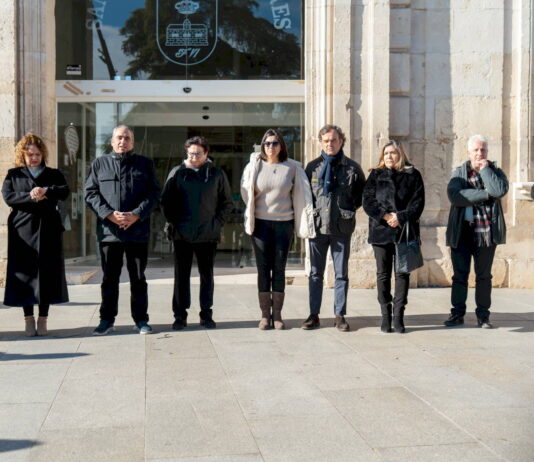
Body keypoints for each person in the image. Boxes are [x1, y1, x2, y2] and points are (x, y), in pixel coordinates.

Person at [85, 125, 160, 335]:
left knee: (138, 278)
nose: (122, 141)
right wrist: (109, 214)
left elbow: (154, 194)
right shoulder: (99, 164)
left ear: (132, 142)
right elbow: (90, 193)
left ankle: (141, 320)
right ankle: (106, 320)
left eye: (127, 138)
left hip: (137, 232)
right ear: (112, 141)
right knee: (109, 279)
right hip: (110, 232)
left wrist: (136, 214)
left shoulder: (145, 164)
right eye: (119, 137)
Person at [241, 128, 315, 330]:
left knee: (279, 268)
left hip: (284, 224)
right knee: (263, 268)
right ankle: (265, 315)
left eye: (275, 143)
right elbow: (246, 192)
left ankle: (278, 315)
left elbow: (300, 194)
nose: (270, 147)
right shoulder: (254, 166)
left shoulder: (292, 167)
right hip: (260, 224)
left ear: (281, 146)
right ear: (262, 146)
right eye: (267, 143)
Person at [161, 136, 232, 330]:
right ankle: (180, 316)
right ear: (186, 153)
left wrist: (216, 224)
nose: (194, 157)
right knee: (181, 276)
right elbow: (166, 201)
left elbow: (226, 203)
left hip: (208, 234)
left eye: (198, 154)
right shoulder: (177, 173)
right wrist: (174, 223)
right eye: (191, 153)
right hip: (181, 235)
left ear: (206, 153)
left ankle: (206, 314)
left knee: (206, 276)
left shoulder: (216, 174)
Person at [2, 133, 70, 336]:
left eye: (37, 154)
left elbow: (64, 191)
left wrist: (46, 190)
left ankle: (43, 318)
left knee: (47, 272)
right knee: (26, 273)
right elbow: (9, 196)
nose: (34, 158)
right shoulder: (14, 174)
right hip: (22, 230)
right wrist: (29, 196)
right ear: (22, 155)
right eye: (30, 154)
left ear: (43, 155)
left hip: (49, 228)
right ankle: (28, 319)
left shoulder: (53, 173)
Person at [301, 125, 366, 331]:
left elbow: (361, 196)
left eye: (334, 140)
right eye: (326, 140)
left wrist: (346, 210)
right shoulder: (312, 167)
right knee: (315, 273)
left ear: (341, 141)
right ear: (321, 142)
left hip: (341, 228)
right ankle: (314, 315)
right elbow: (305, 196)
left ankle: (339, 315)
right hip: (318, 228)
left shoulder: (352, 168)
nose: (330, 144)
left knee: (341, 274)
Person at [444, 134, 508, 329]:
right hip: (462, 232)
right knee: (459, 276)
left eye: (483, 150)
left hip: (487, 234)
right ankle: (457, 314)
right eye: (476, 150)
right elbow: (456, 196)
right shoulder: (459, 173)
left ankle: (483, 316)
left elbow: (499, 191)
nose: (480, 153)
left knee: (484, 277)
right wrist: (485, 194)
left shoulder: (495, 171)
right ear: (469, 152)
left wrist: (486, 170)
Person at [362, 140, 425, 333]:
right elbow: (367, 201)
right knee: (382, 274)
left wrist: (400, 217)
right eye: (386, 153)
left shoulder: (413, 175)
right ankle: (385, 315)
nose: (389, 156)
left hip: (404, 231)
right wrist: (386, 216)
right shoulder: (376, 174)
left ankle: (398, 316)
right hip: (381, 231)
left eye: (393, 152)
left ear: (401, 155)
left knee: (402, 273)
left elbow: (418, 203)